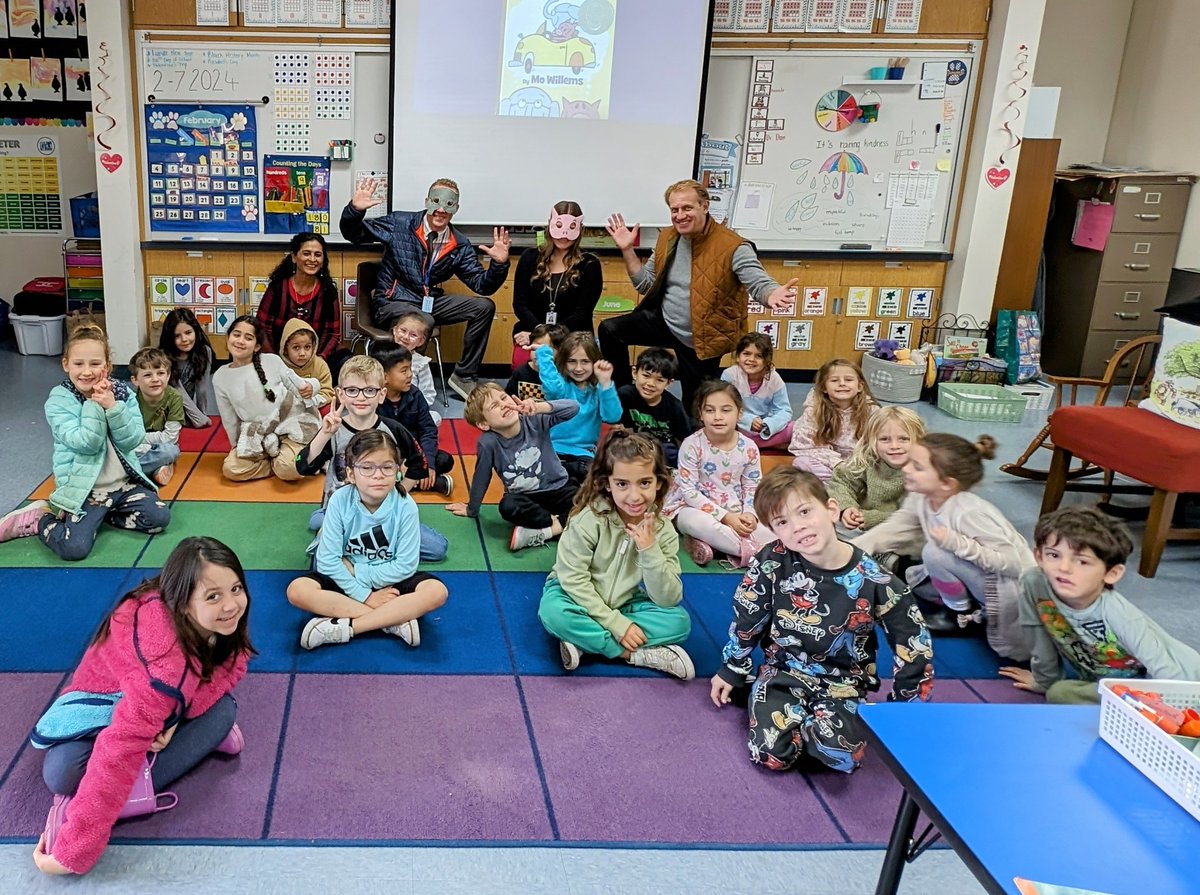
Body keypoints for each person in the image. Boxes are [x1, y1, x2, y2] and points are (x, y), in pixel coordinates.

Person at [32, 537, 252, 875]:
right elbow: (119, 749)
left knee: (222, 710)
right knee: (61, 774)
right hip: (107, 701)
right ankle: (206, 734)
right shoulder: (165, 668)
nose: (231, 605)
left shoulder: (198, 618)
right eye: (213, 596)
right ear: (181, 602)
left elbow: (234, 663)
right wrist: (73, 853)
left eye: (236, 588)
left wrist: (177, 716)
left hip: (153, 701)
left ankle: (206, 727)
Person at [709, 466, 934, 774]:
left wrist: (904, 713)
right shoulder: (772, 561)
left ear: (831, 509)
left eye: (804, 512)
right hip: (782, 673)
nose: (798, 527)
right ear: (775, 531)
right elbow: (748, 614)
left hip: (843, 684)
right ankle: (763, 698)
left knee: (842, 757)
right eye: (783, 522)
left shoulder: (875, 579)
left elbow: (913, 643)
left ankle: (801, 720)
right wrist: (732, 667)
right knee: (768, 754)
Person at [600, 179, 798, 408]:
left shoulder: (732, 246)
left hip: (703, 337)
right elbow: (645, 284)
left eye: (687, 208)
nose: (680, 215)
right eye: (674, 210)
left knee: (694, 407)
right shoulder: (668, 238)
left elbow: (757, 279)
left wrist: (770, 293)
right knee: (611, 330)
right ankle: (624, 401)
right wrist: (627, 250)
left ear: (705, 206)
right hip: (666, 321)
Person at [854, 433, 1034, 660]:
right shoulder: (923, 496)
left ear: (947, 483)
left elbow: (1012, 564)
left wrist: (958, 544)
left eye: (918, 467)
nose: (906, 469)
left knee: (934, 553)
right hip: (981, 573)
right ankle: (964, 604)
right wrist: (850, 549)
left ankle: (958, 617)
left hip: (1010, 587)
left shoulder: (969, 512)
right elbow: (898, 527)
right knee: (924, 564)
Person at [0, 325, 171, 561]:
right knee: (74, 548)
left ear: (108, 366)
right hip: (84, 490)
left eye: (95, 363)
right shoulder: (59, 401)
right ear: (66, 364)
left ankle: (105, 515)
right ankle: (40, 518)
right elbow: (86, 444)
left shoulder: (122, 394)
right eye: (79, 364)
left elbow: (133, 439)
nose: (87, 371)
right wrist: (93, 403)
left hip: (123, 485)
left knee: (159, 518)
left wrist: (113, 407)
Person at [1000, 507, 1200, 704]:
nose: (1063, 568)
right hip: (1110, 680)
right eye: (1054, 555)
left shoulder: (1120, 616)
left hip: (1178, 684)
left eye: (1082, 562)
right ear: (1039, 557)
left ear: (1111, 573)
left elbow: (1169, 674)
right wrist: (1044, 681)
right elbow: (1037, 633)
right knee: (1059, 690)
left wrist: (1174, 716)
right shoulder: (1034, 582)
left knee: (1061, 693)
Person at [538, 430, 694, 679]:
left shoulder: (662, 530)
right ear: (607, 484)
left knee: (679, 622)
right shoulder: (588, 520)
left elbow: (668, 598)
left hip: (625, 602)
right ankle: (633, 655)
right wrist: (616, 625)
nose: (634, 496)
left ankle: (585, 642)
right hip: (573, 597)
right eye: (622, 484)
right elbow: (573, 580)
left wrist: (649, 549)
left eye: (644, 483)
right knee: (553, 612)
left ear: (659, 483)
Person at [341, 176, 511, 400]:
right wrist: (355, 211)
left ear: (456, 208)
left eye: (449, 204)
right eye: (436, 201)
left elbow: (482, 285)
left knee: (484, 306)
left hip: (426, 301)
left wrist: (499, 265)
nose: (441, 209)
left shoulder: (458, 244)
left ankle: (464, 376)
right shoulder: (400, 223)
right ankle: (403, 385)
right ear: (426, 201)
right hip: (392, 301)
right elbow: (354, 235)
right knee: (423, 321)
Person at [287, 430, 449, 651]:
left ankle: (347, 627)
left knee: (436, 591)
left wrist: (358, 572)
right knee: (297, 590)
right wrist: (365, 596)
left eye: (387, 467)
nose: (378, 475)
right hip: (346, 579)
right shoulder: (339, 500)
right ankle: (393, 621)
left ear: (398, 470)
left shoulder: (405, 505)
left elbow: (406, 565)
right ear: (351, 474)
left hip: (386, 579)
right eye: (367, 467)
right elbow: (326, 561)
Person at [294, 355, 449, 562]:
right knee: (321, 564)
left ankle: (345, 533)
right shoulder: (335, 431)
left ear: (382, 394)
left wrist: (399, 492)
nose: (361, 397)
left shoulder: (393, 430)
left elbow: (418, 464)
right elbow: (302, 466)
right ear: (340, 394)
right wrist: (324, 433)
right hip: (343, 513)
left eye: (369, 390)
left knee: (438, 548)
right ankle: (327, 521)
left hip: (383, 512)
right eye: (352, 390)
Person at [447, 383, 579, 551]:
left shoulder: (534, 420)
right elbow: (482, 475)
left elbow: (573, 408)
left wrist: (538, 407)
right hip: (525, 498)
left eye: (503, 398)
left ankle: (550, 530)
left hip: (560, 489)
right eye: (494, 406)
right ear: (484, 424)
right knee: (507, 506)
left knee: (592, 501)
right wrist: (472, 508)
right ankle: (561, 522)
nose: (503, 405)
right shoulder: (488, 443)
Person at [663, 379, 775, 568]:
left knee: (774, 527)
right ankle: (756, 553)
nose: (717, 417)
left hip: (737, 509)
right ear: (700, 414)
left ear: (739, 413)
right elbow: (689, 492)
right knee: (696, 523)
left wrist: (749, 515)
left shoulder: (749, 446)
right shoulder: (692, 444)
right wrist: (726, 517)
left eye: (726, 410)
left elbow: (752, 486)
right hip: (695, 509)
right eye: (709, 410)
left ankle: (715, 546)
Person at [212, 316, 323, 483]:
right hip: (258, 432)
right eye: (236, 335)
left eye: (248, 338)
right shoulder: (220, 376)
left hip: (289, 424)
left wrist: (312, 386)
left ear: (257, 346)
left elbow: (297, 385)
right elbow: (229, 417)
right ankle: (274, 464)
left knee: (289, 470)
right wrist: (238, 446)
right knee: (231, 469)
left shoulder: (272, 361)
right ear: (228, 337)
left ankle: (287, 461)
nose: (241, 341)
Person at [511, 201, 602, 368]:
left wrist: (547, 337)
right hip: (532, 330)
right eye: (559, 226)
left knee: (566, 380)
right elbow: (520, 305)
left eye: (571, 228)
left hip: (573, 335)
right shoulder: (529, 258)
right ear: (550, 225)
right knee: (527, 371)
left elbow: (582, 314)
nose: (564, 235)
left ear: (580, 229)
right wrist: (538, 332)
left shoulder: (590, 264)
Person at [535, 331, 622, 484]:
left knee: (589, 477)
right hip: (553, 451)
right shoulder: (561, 386)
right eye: (572, 361)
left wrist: (606, 384)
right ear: (564, 362)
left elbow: (612, 416)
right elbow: (552, 386)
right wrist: (543, 353)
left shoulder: (597, 390)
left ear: (594, 362)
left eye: (585, 362)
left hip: (583, 454)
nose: (578, 368)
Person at [827, 406, 926, 535]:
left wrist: (874, 519)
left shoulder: (925, 472)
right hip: (862, 520)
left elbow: (915, 518)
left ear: (919, 440)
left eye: (904, 439)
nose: (894, 446)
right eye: (884, 439)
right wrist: (847, 507)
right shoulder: (868, 459)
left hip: (902, 528)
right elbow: (842, 482)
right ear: (872, 441)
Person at [254, 232, 344, 369]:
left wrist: (319, 360)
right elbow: (263, 328)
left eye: (318, 255)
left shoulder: (328, 292)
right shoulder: (278, 287)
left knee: (345, 359)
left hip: (315, 359)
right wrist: (276, 362)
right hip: (278, 358)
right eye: (306, 253)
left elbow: (333, 333)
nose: (312, 259)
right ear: (294, 257)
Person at [375, 342, 456, 486]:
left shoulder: (415, 395)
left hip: (414, 453)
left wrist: (427, 464)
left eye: (410, 369)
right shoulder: (373, 399)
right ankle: (431, 483)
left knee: (444, 460)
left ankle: (407, 480)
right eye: (404, 370)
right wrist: (397, 461)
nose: (410, 374)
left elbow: (428, 431)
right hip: (384, 454)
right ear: (385, 377)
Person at [789, 358, 877, 481]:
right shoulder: (814, 411)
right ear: (824, 387)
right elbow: (805, 445)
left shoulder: (872, 412)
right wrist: (837, 464)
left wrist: (857, 465)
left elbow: (878, 445)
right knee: (801, 462)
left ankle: (851, 482)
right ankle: (840, 482)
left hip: (859, 464)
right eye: (834, 380)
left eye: (848, 380)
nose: (842, 383)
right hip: (829, 465)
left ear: (860, 386)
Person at [616, 346, 693, 466]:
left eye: (659, 380)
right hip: (634, 443)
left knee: (671, 454)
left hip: (662, 448)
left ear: (669, 383)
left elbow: (686, 438)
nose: (651, 384)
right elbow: (621, 428)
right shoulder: (625, 395)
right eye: (646, 376)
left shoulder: (674, 406)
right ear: (635, 372)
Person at [722, 332, 793, 449]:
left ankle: (749, 444)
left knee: (795, 428)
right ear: (738, 357)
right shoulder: (729, 375)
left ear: (767, 360)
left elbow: (784, 410)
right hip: (738, 426)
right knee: (718, 427)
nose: (751, 360)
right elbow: (724, 406)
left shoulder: (774, 379)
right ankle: (764, 444)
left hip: (763, 430)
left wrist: (769, 424)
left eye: (758, 356)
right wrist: (748, 420)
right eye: (746, 354)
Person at [128, 347, 184, 487]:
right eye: (147, 375)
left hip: (159, 447)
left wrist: (142, 440)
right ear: (135, 380)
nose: (155, 379)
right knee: (115, 450)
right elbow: (126, 436)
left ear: (168, 376)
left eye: (160, 373)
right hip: (134, 447)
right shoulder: (129, 398)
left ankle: (129, 472)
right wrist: (139, 443)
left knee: (171, 451)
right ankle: (153, 469)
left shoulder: (174, 397)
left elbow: (171, 437)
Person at [158, 307, 215, 428]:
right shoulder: (164, 356)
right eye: (177, 336)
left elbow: (202, 388)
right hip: (163, 409)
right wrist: (198, 418)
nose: (184, 340)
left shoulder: (205, 351)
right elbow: (178, 392)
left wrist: (202, 414)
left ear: (196, 331)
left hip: (185, 409)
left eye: (188, 333)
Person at [390, 309, 442, 426]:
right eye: (403, 331)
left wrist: (415, 408)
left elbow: (428, 394)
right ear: (394, 330)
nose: (406, 337)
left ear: (421, 341)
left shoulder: (421, 363)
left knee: (435, 417)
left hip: (412, 410)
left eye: (413, 335)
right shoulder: (384, 356)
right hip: (387, 409)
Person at [278, 319, 334, 408]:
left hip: (316, 405)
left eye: (307, 347)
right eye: (296, 347)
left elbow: (328, 392)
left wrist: (312, 401)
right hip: (288, 408)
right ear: (285, 349)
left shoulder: (320, 365)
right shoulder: (279, 366)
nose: (302, 353)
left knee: (329, 409)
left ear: (314, 346)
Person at [507, 322, 567, 402]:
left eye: (545, 350)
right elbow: (509, 397)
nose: (539, 353)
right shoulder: (520, 372)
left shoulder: (562, 373)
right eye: (535, 348)